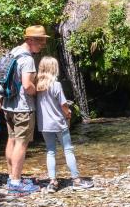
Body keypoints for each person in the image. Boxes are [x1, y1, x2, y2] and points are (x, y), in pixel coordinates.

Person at [3, 25, 49, 195]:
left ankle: (12, 176)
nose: (42, 45)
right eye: (39, 42)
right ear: (29, 40)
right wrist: (38, 93)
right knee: (21, 143)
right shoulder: (28, 59)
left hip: (8, 105)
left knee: (11, 140)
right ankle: (15, 183)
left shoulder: (13, 52)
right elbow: (27, 84)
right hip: (23, 107)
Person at [36, 56, 94, 192]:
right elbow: (63, 104)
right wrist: (68, 113)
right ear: (53, 69)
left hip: (44, 125)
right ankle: (76, 180)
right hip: (59, 123)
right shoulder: (56, 85)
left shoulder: (38, 86)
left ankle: (52, 182)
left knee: (50, 151)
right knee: (68, 150)